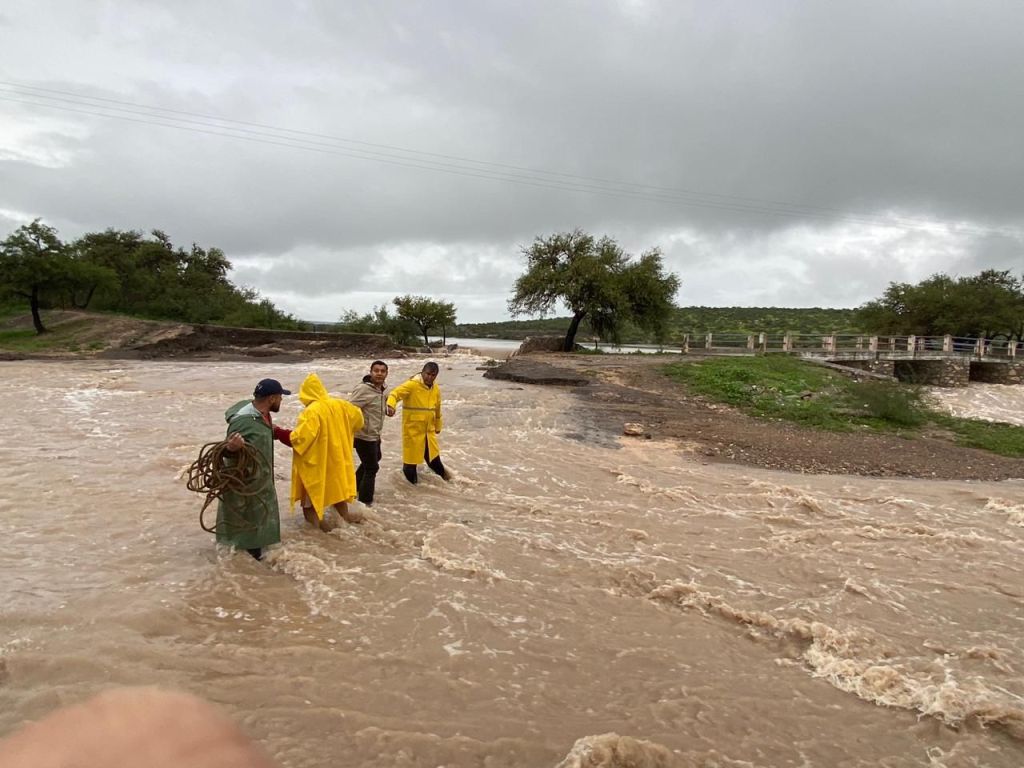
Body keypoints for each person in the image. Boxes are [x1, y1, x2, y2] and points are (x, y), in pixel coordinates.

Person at [218, 378, 293, 560]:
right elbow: (225, 452)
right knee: (248, 530)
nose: (281, 400)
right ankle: (250, 570)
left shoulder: (261, 413)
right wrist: (231, 448)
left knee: (259, 525)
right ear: (272, 398)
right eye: (280, 397)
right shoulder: (243, 422)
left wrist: (280, 433)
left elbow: (263, 429)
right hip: (246, 484)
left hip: (260, 481)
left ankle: (254, 565)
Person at [289, 372, 365, 530]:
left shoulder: (311, 411)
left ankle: (315, 534)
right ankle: (346, 523)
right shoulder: (341, 404)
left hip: (318, 463)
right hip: (338, 459)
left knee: (309, 502)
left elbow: (301, 439)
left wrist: (279, 432)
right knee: (338, 494)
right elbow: (359, 420)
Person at [386, 361, 450, 484]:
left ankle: (449, 483)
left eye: (433, 375)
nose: (430, 377)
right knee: (410, 464)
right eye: (428, 374)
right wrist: (390, 406)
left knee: (434, 460)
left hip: (428, 431)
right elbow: (394, 394)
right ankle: (411, 491)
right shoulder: (412, 385)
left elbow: (437, 408)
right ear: (422, 372)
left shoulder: (435, 388)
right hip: (413, 430)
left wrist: (438, 425)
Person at [348, 360, 389, 505]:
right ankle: (365, 502)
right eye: (376, 370)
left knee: (375, 458)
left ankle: (352, 488)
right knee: (372, 467)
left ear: (386, 374)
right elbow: (349, 409)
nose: (379, 373)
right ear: (370, 372)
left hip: (375, 434)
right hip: (363, 435)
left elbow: (379, 405)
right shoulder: (363, 389)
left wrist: (387, 409)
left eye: (382, 371)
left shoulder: (383, 390)